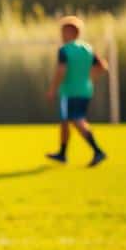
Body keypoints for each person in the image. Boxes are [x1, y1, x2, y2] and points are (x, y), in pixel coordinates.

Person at [46, 15, 108, 167]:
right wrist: (89, 78)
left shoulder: (65, 50)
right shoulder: (87, 49)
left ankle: (98, 150)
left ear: (71, 32)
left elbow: (61, 70)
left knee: (77, 120)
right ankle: (62, 153)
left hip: (69, 92)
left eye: (63, 31)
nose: (61, 35)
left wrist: (52, 89)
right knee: (66, 121)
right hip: (85, 90)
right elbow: (103, 66)